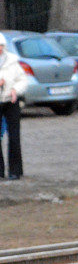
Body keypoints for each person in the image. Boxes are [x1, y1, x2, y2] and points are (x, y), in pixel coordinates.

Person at [0, 33, 27, 180]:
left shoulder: (12, 61)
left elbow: (22, 80)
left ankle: (15, 171)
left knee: (14, 137)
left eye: (1, 46)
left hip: (11, 101)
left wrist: (15, 90)